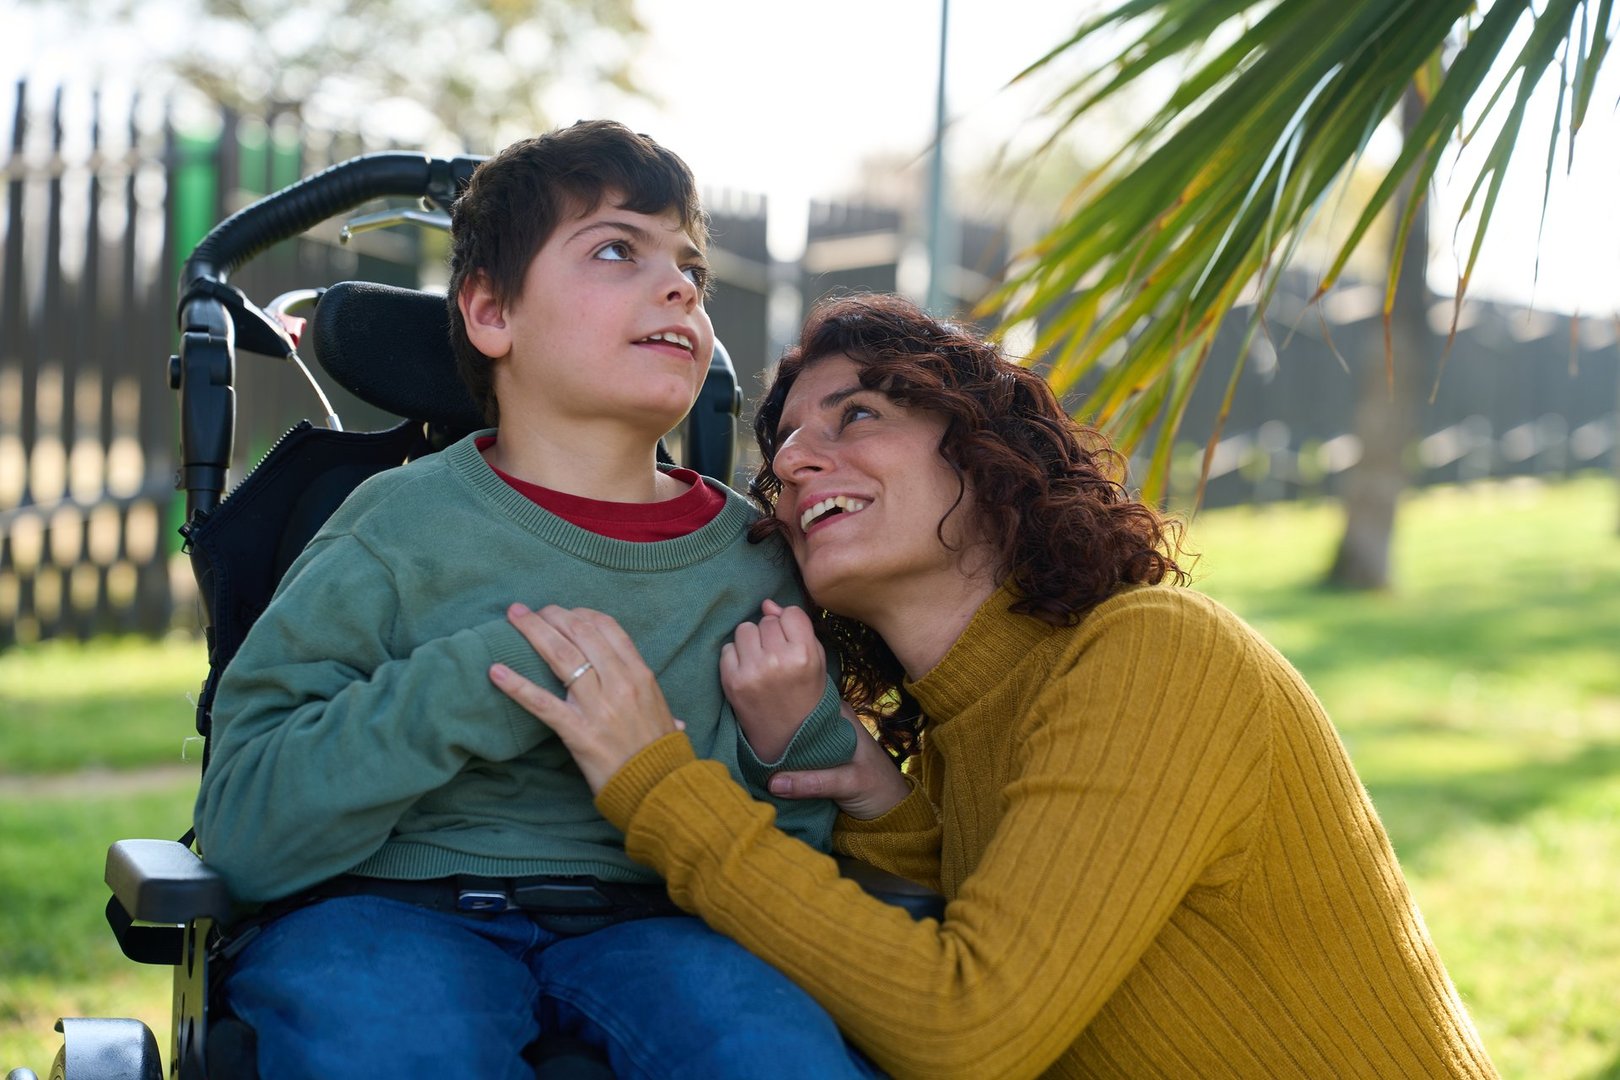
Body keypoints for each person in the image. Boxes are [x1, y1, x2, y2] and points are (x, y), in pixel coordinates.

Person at [489, 293, 1502, 1079]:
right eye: (784, 444)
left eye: (859, 413)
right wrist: (882, 800)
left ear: (988, 453)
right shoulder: (967, 725)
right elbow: (1017, 897)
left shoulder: (1155, 657)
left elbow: (968, 1032)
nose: (796, 461)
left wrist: (659, 788)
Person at [192, 122, 872, 1079]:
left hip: (664, 922)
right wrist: (476, 685)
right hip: (386, 907)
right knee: (386, 1042)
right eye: (614, 251)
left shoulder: (753, 562)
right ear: (489, 314)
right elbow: (246, 830)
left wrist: (787, 743)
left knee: (773, 1050)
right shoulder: (390, 528)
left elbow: (791, 869)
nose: (678, 285)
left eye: (689, 268)